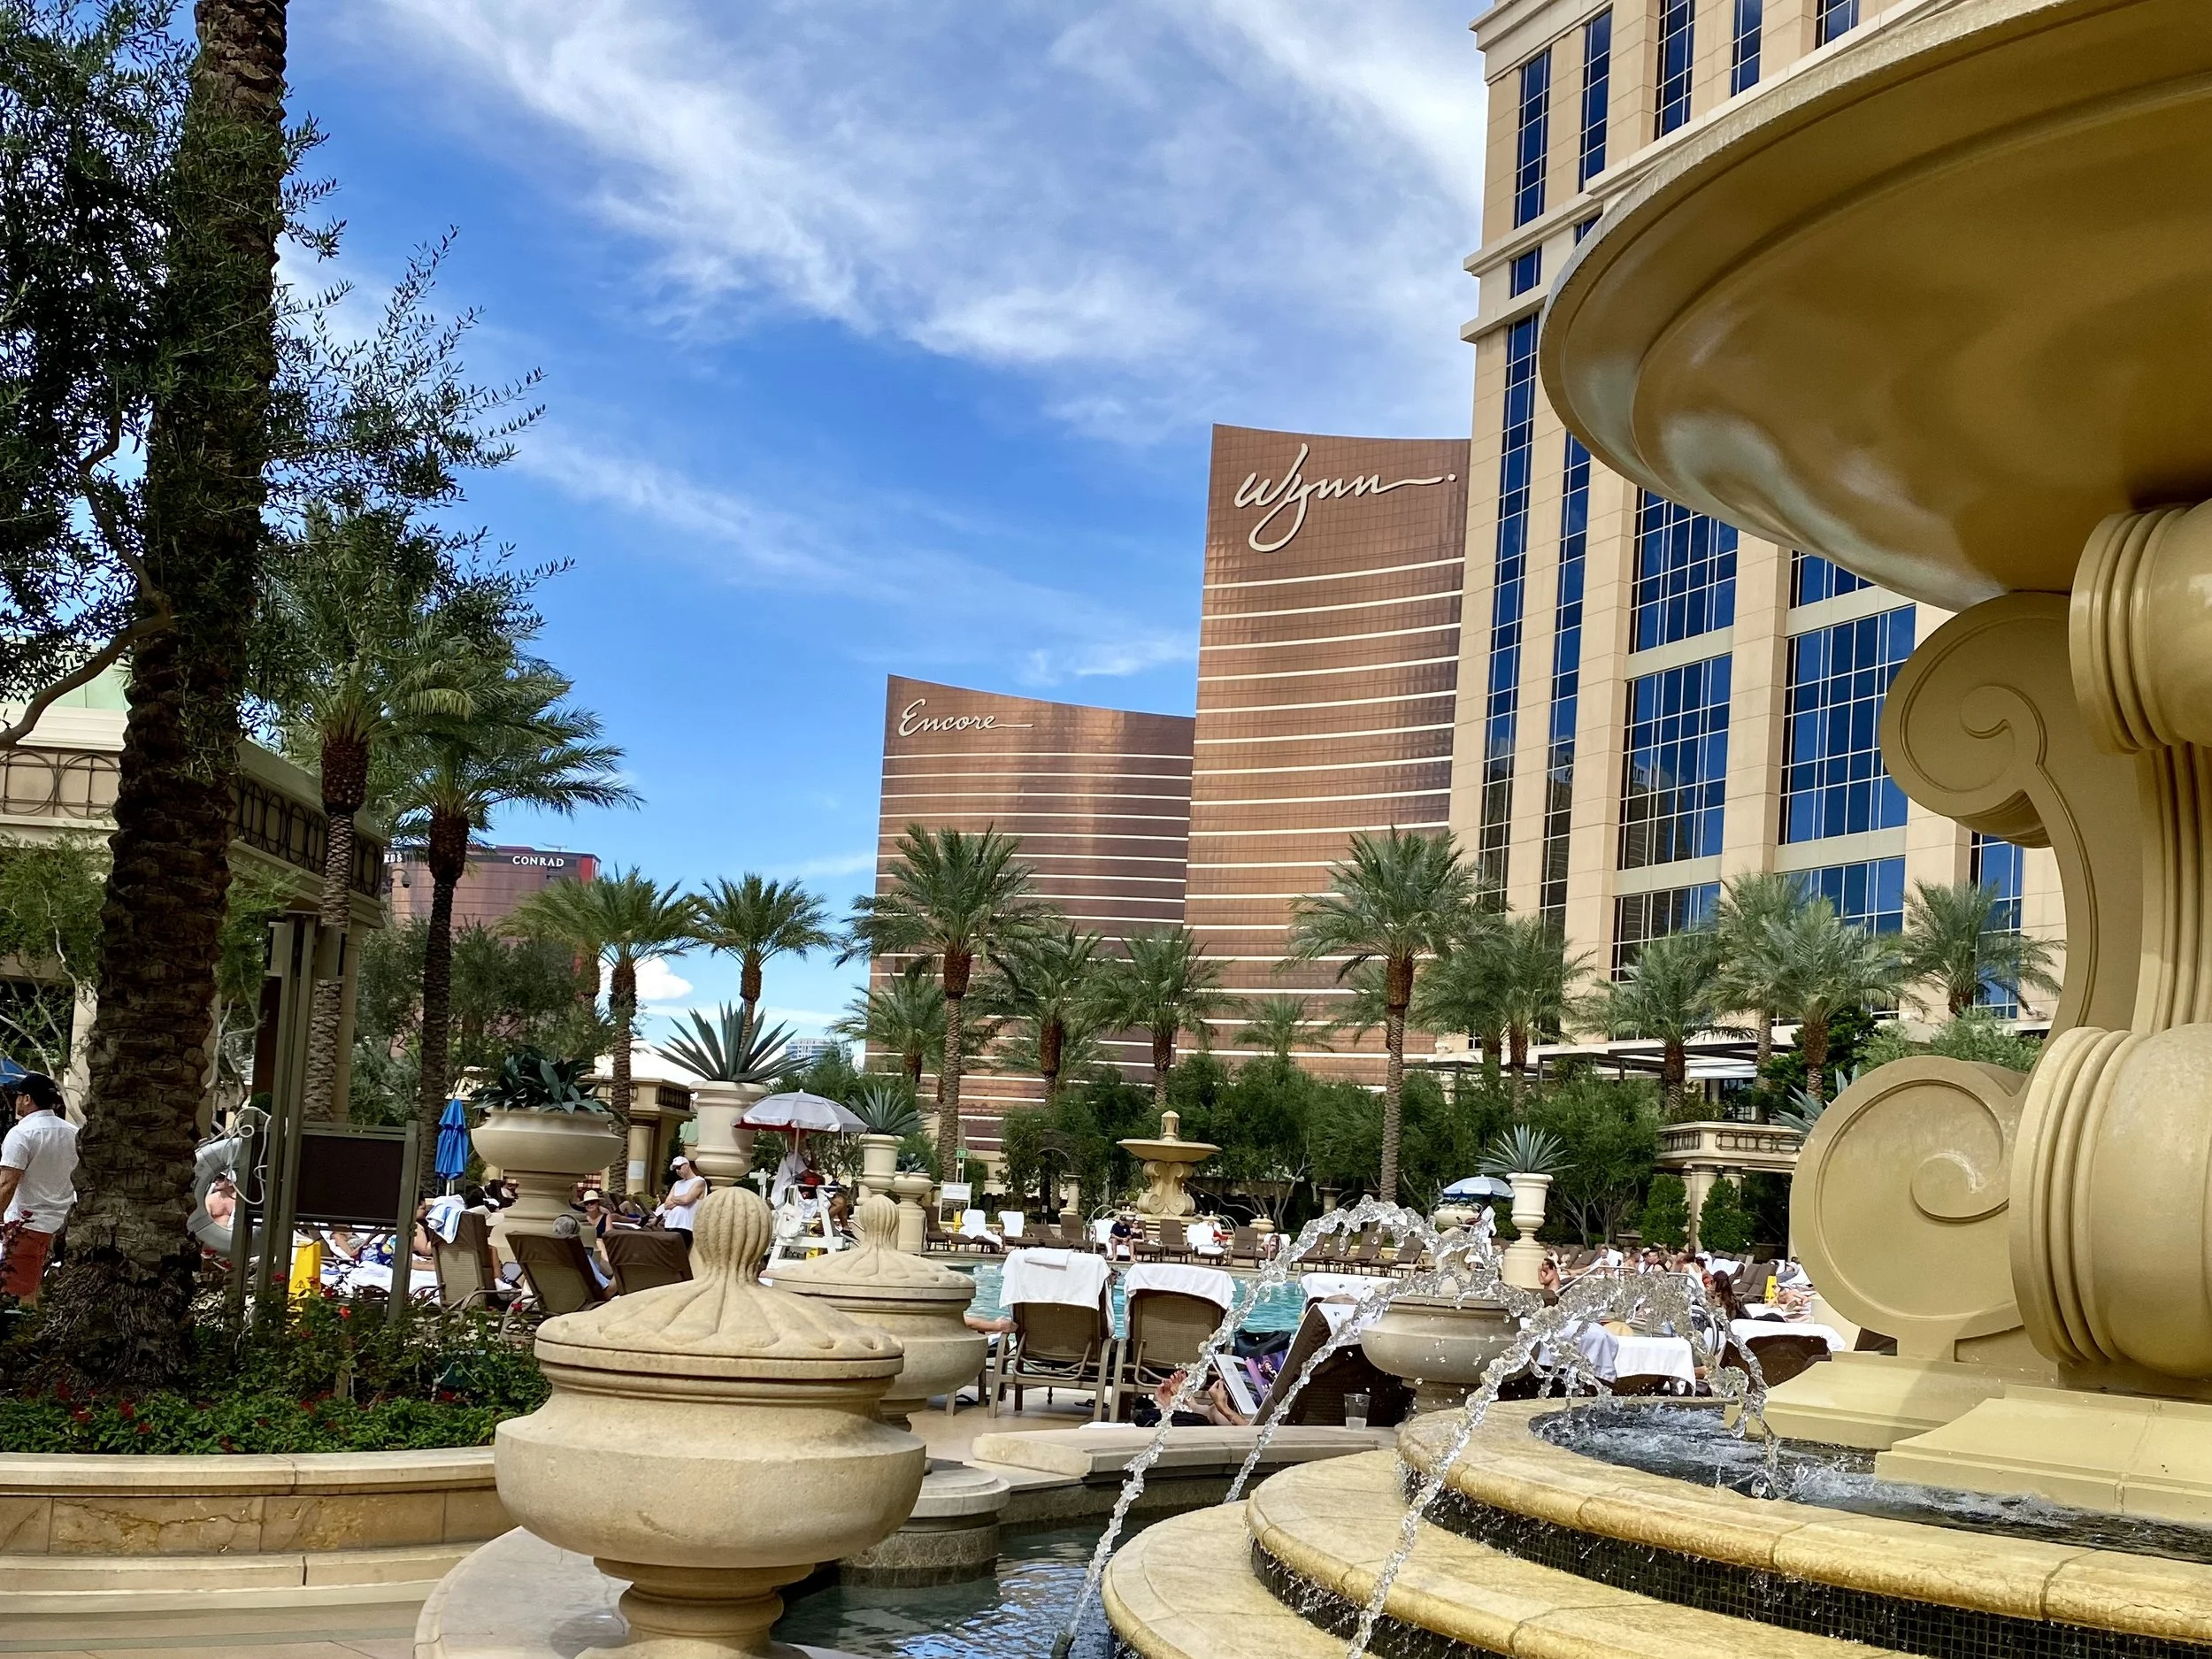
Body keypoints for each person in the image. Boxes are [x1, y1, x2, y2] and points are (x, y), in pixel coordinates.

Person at [0, 1071, 78, 1307]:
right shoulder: (73, 1133)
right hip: (64, 1227)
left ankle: (23, 1343)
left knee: (19, 1297)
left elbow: (8, 1182)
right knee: (45, 1297)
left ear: (26, 1099)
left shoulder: (21, 1133)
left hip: (27, 1226)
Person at [653, 1156, 707, 1240]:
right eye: (675, 1168)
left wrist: (674, 1198)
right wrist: (681, 1200)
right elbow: (667, 1205)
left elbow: (686, 1199)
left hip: (686, 1225)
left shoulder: (699, 1181)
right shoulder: (677, 1183)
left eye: (679, 1167)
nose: (677, 1171)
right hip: (671, 1223)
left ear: (687, 1165)